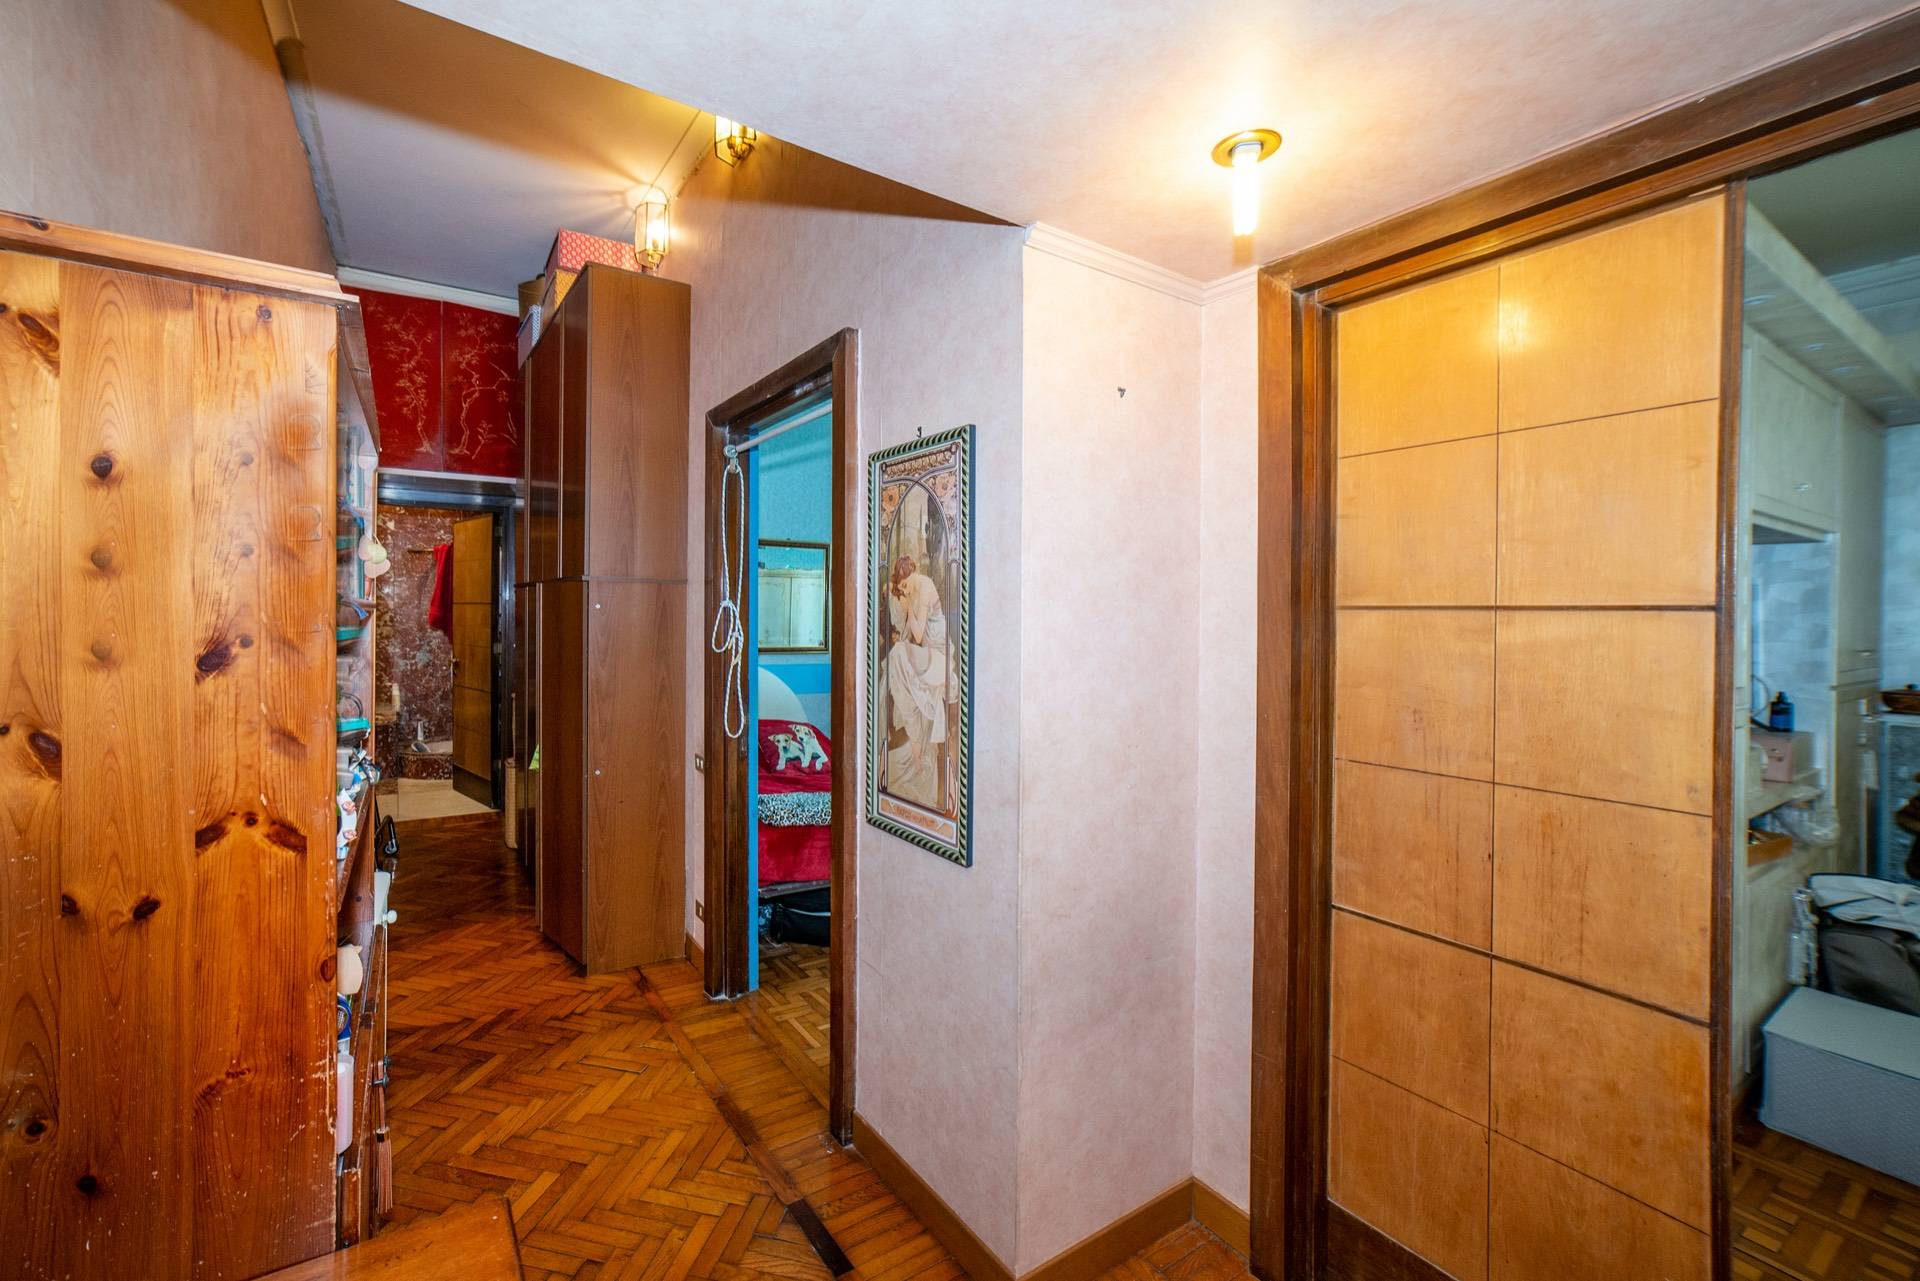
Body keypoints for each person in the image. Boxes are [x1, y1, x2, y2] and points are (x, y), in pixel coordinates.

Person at [884, 552, 949, 810]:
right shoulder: (912, 590)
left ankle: (917, 742)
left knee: (898, 654)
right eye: (901, 586)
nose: (905, 589)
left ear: (912, 573)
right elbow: (909, 635)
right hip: (926, 654)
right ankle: (915, 742)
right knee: (895, 659)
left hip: (939, 655)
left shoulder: (923, 584)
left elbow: (920, 635)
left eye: (905, 583)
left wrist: (909, 602)